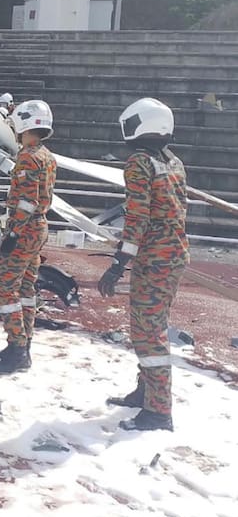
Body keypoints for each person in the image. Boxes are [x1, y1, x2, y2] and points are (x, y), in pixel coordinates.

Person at [97, 98, 188, 432]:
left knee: (148, 334)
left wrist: (119, 262)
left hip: (154, 259)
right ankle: (146, 391)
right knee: (150, 325)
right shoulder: (173, 161)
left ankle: (158, 411)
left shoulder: (138, 162)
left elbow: (138, 216)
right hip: (172, 256)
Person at [0, 100, 56, 374]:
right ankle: (23, 344)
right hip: (39, 227)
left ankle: (17, 347)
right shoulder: (47, 155)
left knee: (4, 287)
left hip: (26, 228)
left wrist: (14, 232)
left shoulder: (28, 156)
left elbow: (27, 201)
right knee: (26, 289)